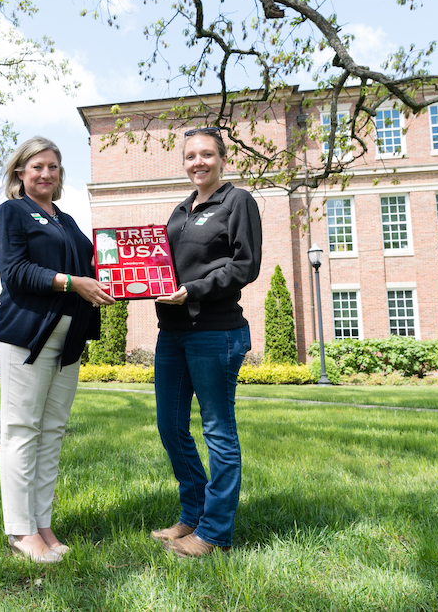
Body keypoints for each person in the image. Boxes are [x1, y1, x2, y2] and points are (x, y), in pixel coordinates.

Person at [0, 136, 115, 564]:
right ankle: (20, 531)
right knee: (22, 430)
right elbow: (16, 272)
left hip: (70, 340)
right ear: (20, 173)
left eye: (53, 167)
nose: (45, 174)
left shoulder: (68, 222)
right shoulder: (12, 214)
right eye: (37, 166)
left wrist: (132, 277)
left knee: (52, 432)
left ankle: (42, 523)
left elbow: (95, 270)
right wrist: (70, 282)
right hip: (26, 337)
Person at [151, 127, 262, 557]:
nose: (198, 162)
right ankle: (192, 513)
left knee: (218, 431)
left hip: (216, 332)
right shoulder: (180, 210)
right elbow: (156, 266)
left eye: (207, 155)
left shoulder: (237, 202)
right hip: (172, 334)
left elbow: (245, 265)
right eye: (191, 156)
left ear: (222, 158)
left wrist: (194, 290)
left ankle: (214, 533)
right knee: (171, 427)